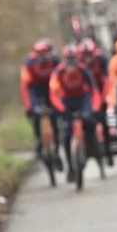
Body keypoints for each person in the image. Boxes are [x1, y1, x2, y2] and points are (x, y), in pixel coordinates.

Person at [49, 43, 102, 182]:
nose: (71, 66)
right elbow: (53, 94)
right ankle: (71, 168)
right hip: (67, 101)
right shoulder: (58, 72)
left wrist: (95, 108)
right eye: (68, 62)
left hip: (82, 99)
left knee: (89, 122)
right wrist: (61, 108)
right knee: (66, 135)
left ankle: (91, 148)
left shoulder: (84, 70)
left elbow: (94, 90)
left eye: (74, 62)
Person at [21, 38, 63, 169]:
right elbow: (25, 86)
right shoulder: (29, 63)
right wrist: (29, 106)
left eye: (48, 55)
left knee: (54, 116)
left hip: (51, 88)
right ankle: (38, 139)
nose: (46, 58)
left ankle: (56, 148)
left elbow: (61, 82)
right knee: (35, 112)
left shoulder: (56, 61)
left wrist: (60, 102)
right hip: (36, 89)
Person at [77, 37, 113, 167]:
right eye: (85, 56)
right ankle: (88, 148)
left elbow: (107, 80)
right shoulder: (79, 63)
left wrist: (103, 99)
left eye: (89, 56)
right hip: (87, 92)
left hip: (100, 88)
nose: (88, 59)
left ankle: (108, 151)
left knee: (103, 120)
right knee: (87, 122)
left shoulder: (101, 59)